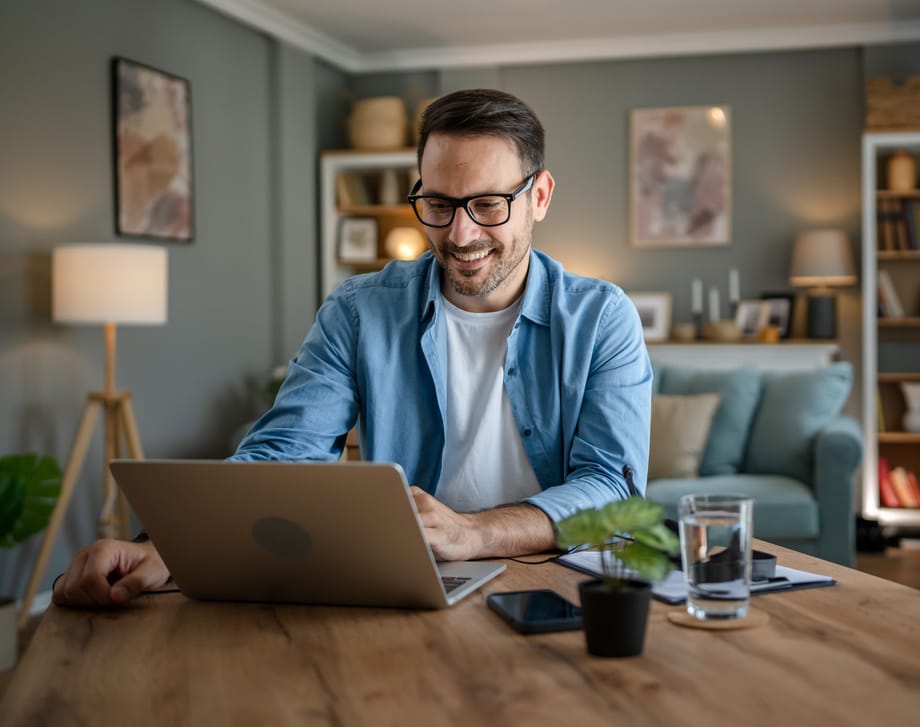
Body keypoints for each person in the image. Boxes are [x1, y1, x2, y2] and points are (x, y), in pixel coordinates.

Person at [52, 89, 652, 609]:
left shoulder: (602, 318)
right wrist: (161, 549)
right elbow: (285, 451)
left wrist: (475, 532)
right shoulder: (360, 310)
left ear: (540, 196)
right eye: (438, 205)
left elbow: (611, 485)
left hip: (561, 589)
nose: (460, 234)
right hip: (410, 589)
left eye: (488, 205)